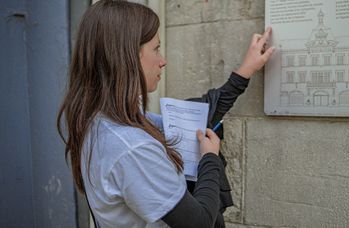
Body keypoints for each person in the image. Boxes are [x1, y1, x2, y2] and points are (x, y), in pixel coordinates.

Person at [57, 0, 274, 227]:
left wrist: (245, 71)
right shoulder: (133, 148)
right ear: (128, 55)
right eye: (156, 48)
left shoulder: (102, 120)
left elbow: (192, 118)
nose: (163, 61)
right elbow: (198, 223)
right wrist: (209, 159)